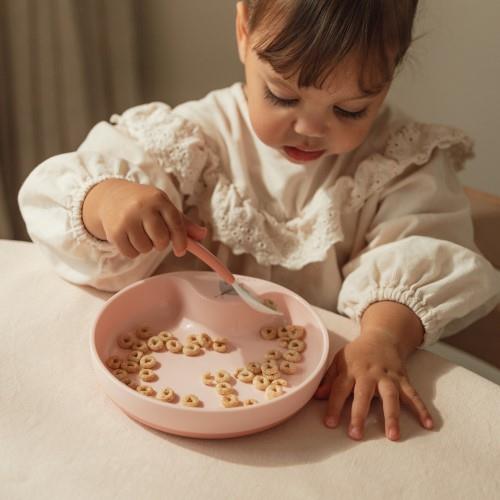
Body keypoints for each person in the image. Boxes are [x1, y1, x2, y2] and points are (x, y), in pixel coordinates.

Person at [18, 0, 500, 441]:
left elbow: (417, 245)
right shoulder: (191, 139)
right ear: (244, 30)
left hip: (315, 410)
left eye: (350, 109)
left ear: (390, 74)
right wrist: (108, 201)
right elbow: (74, 190)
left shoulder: (399, 162)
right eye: (283, 96)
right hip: (179, 382)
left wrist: (381, 336)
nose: (311, 129)